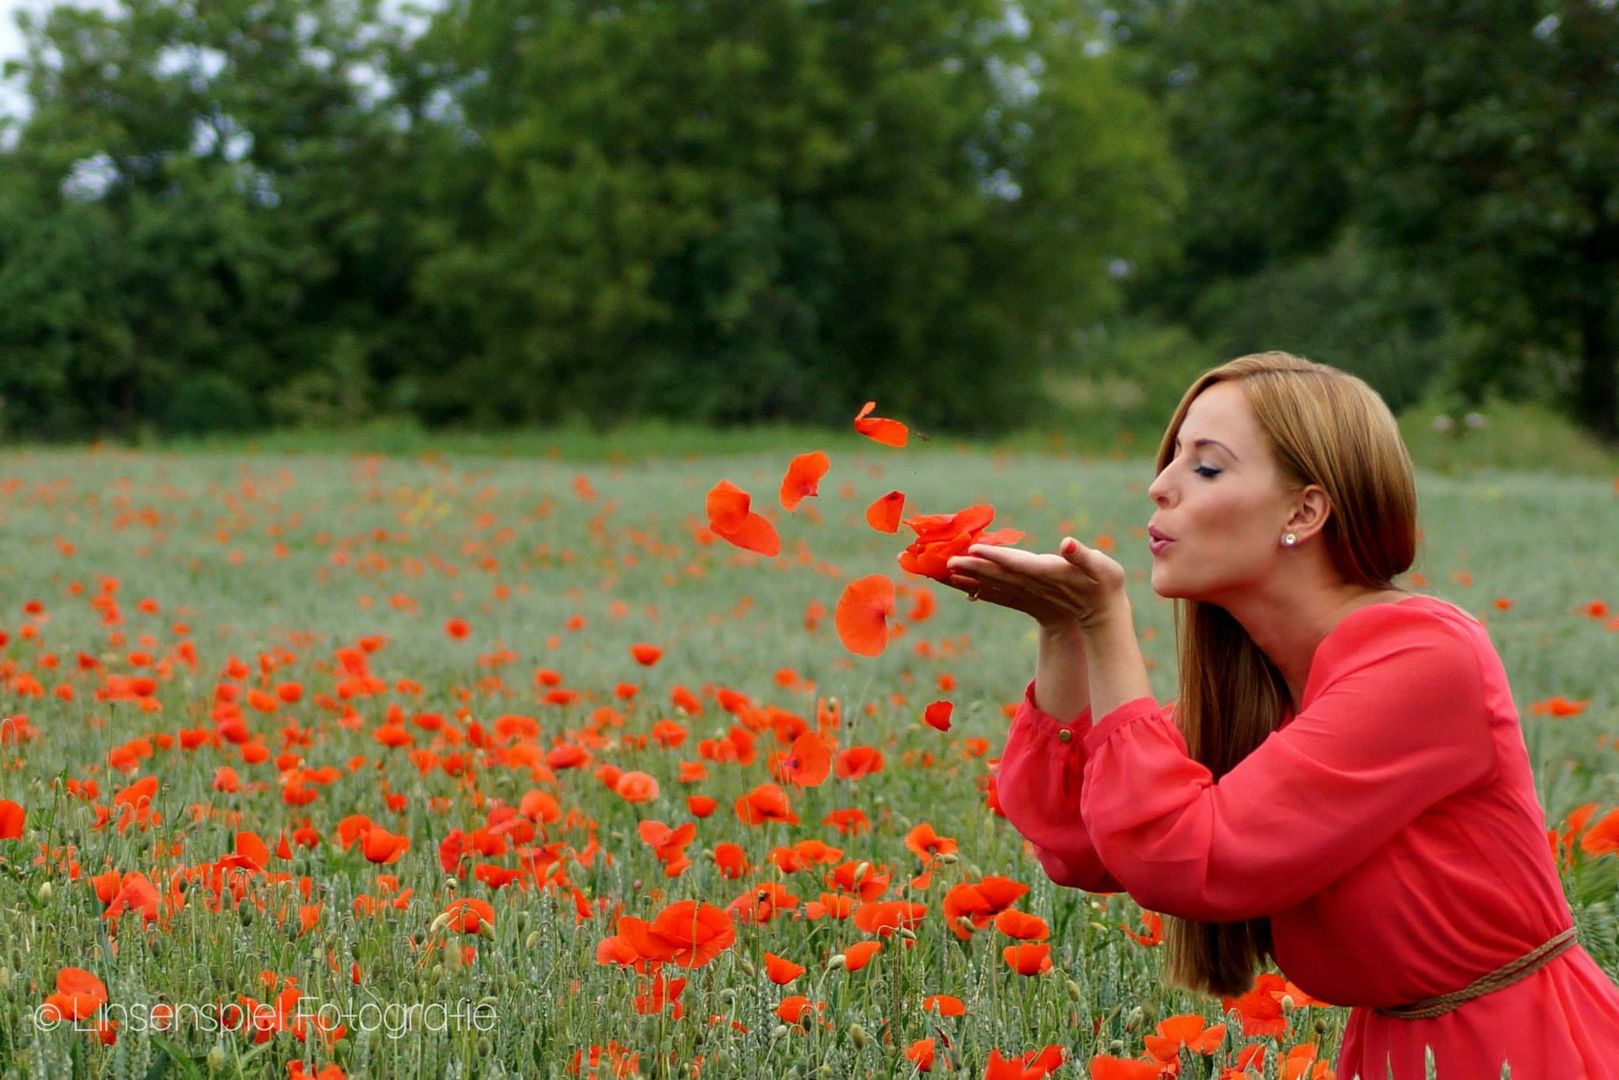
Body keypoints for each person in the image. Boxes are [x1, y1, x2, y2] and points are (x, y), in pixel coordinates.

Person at [944, 352, 1619, 1078]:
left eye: (1204, 467)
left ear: (1303, 511)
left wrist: (1102, 625)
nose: (1158, 487)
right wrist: (1064, 634)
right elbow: (1079, 840)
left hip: (1519, 1049)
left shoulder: (1422, 657)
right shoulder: (1269, 686)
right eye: (1171, 460)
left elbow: (1185, 858)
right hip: (1396, 1053)